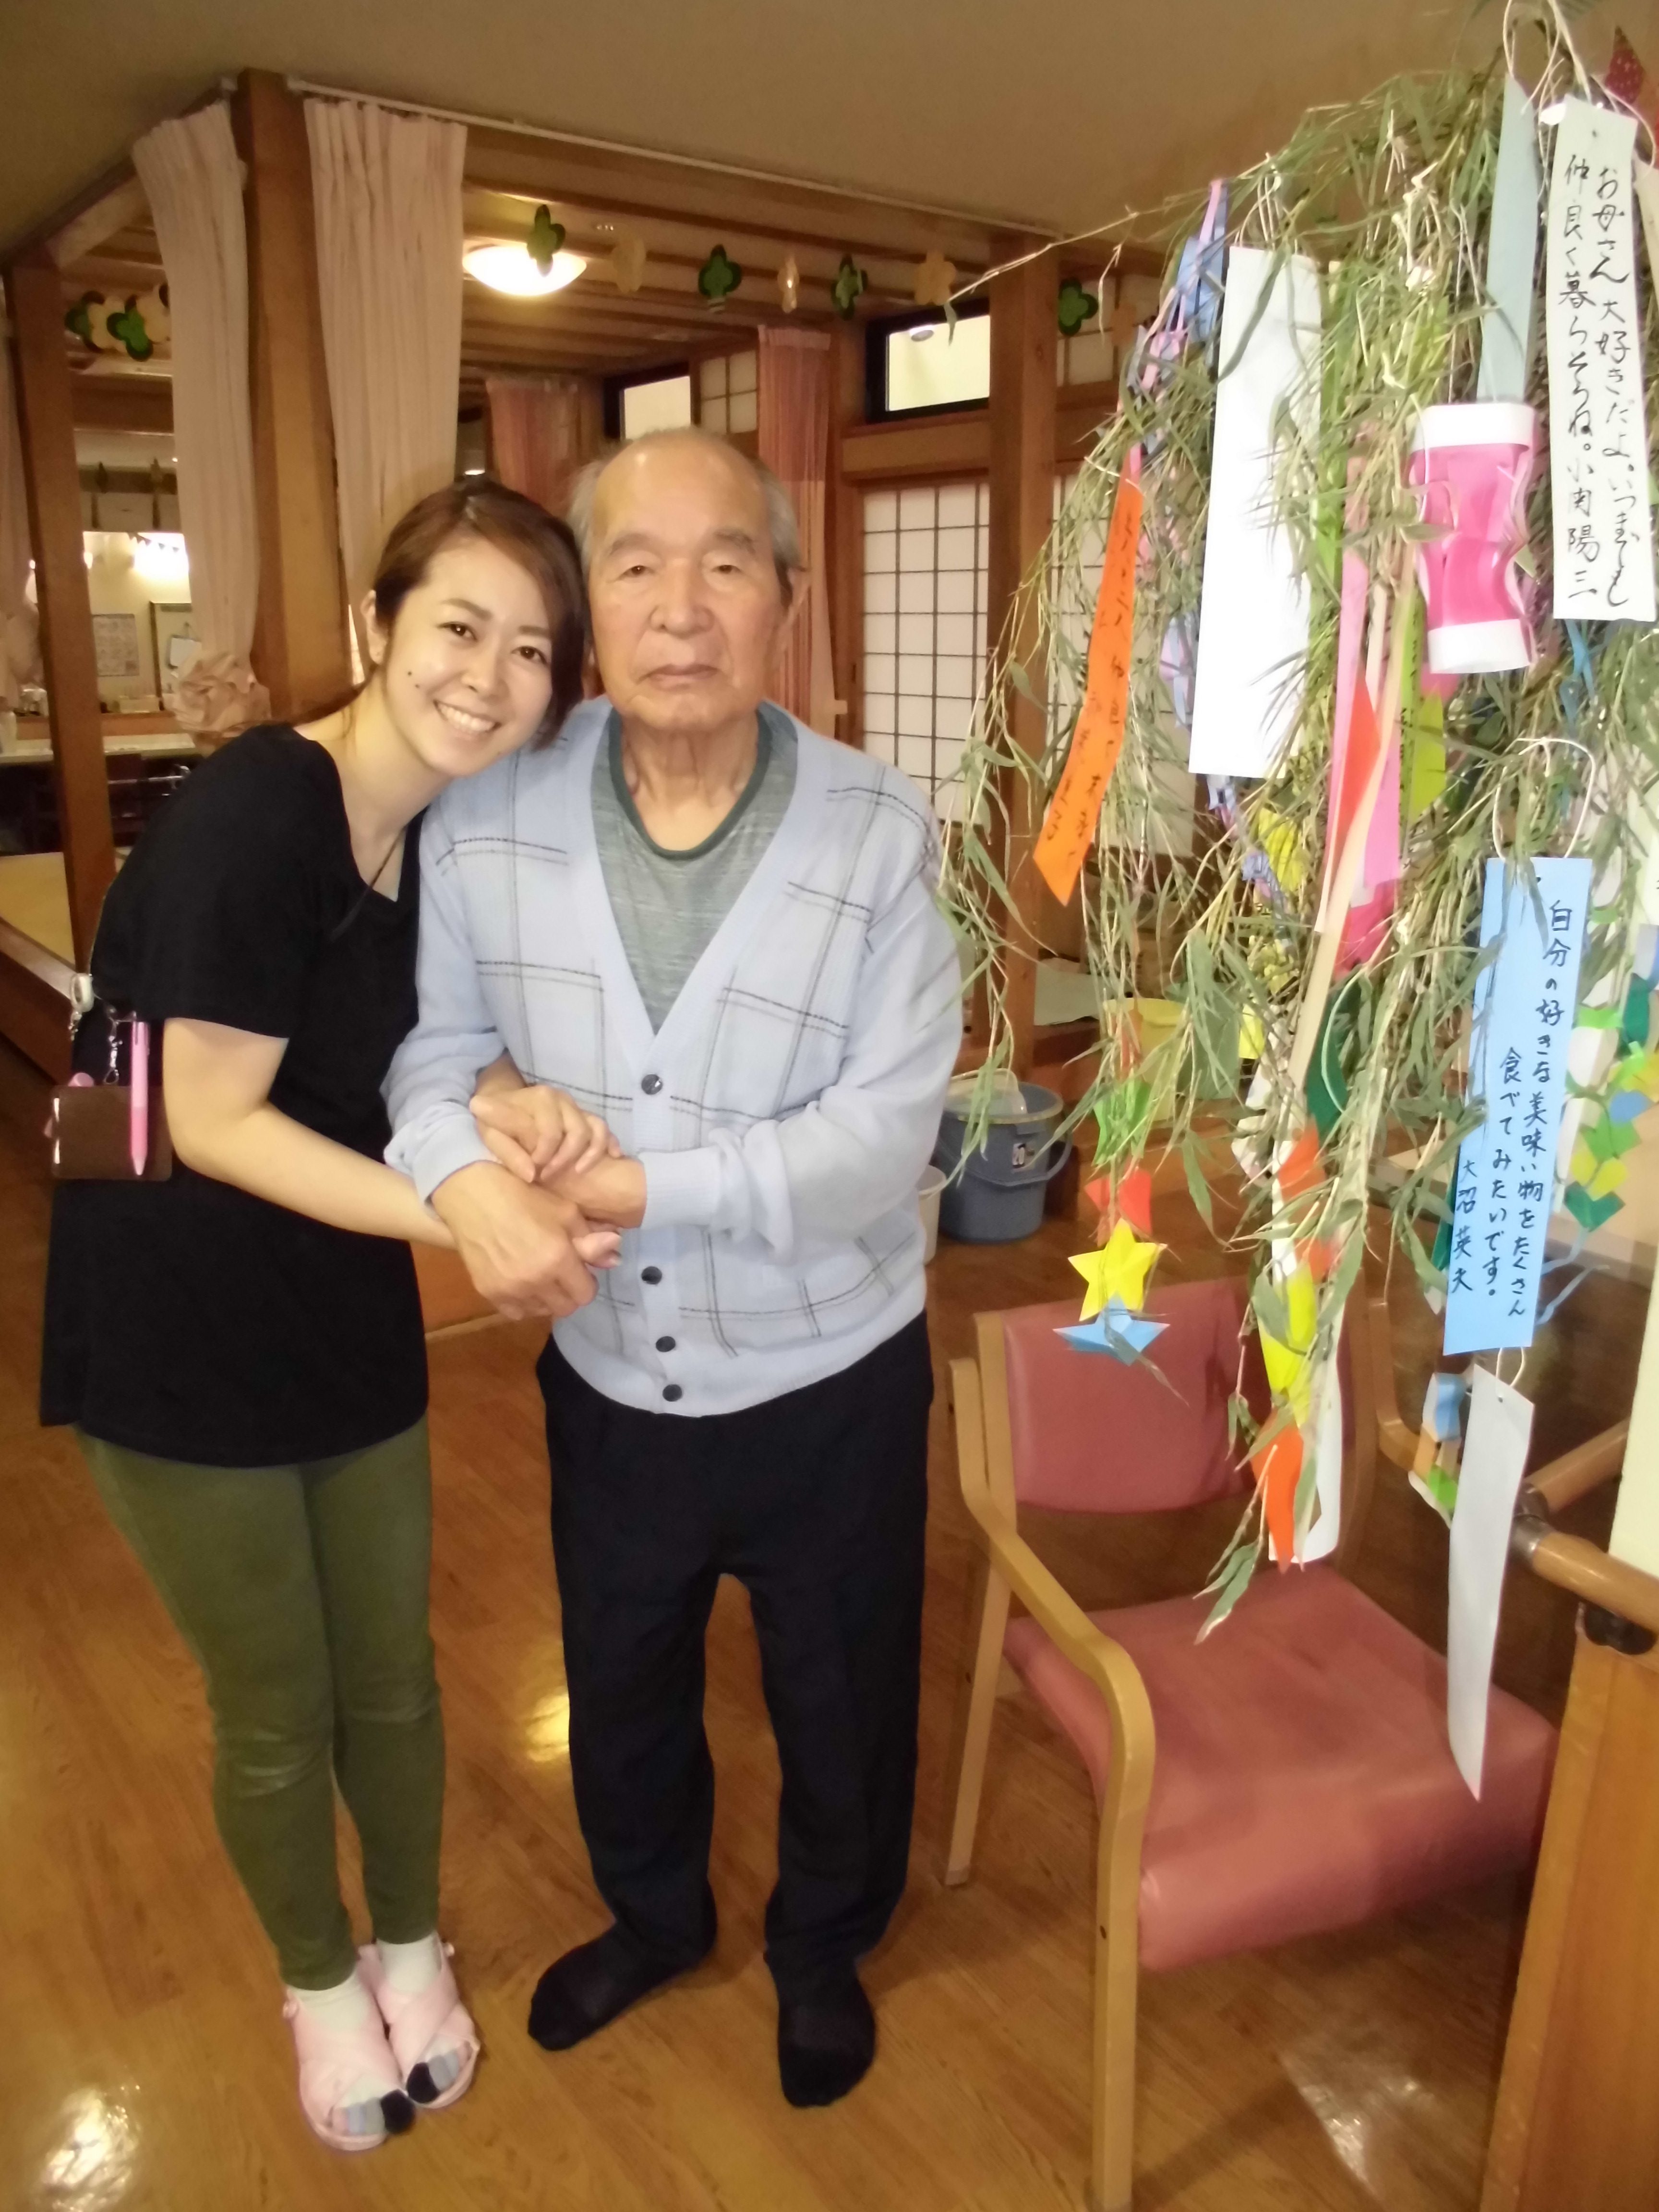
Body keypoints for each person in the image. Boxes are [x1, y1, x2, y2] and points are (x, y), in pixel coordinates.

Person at [387, 427, 962, 2109]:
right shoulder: (487, 810)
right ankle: (654, 1918)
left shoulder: (877, 829)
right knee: (622, 1673)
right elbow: (431, 1055)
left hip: (832, 1371)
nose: (682, 606)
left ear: (788, 593)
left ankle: (822, 1945)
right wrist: (463, 1170)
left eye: (726, 563)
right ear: (587, 608)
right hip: (607, 1375)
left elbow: (885, 1136)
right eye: (634, 565)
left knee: (842, 1688)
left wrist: (631, 1184)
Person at [40, 481, 616, 2153]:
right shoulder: (258, 811)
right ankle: (318, 1981)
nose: (489, 679)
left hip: (335, 1306)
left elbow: (390, 1046)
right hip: (174, 1328)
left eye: (531, 651)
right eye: (459, 628)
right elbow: (209, 1120)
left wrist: (508, 1104)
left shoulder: (438, 830)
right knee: (279, 1706)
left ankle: (414, 1948)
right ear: (377, 625)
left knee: (395, 1678)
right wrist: (467, 1215)